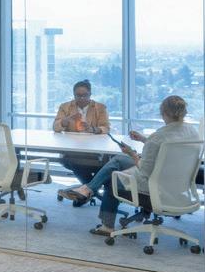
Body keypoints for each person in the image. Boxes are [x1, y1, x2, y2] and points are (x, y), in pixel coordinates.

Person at [83, 95, 199, 237]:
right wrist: (145, 140)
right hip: (179, 189)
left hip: (155, 192)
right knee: (119, 161)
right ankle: (88, 189)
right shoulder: (192, 131)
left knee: (112, 178)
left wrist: (132, 154)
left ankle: (106, 225)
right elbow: (169, 151)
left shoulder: (158, 136)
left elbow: (144, 172)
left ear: (163, 113)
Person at [53, 80, 112, 206]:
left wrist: (93, 129)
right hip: (71, 151)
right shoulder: (65, 107)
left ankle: (84, 194)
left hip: (94, 152)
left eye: (85, 95)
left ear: (90, 94)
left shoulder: (100, 108)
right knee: (74, 160)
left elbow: (106, 128)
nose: (81, 98)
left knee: (81, 162)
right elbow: (56, 127)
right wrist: (66, 121)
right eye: (78, 95)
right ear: (73, 95)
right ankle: (89, 192)